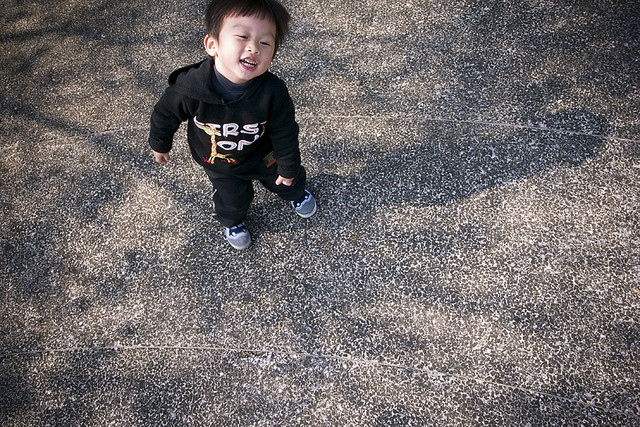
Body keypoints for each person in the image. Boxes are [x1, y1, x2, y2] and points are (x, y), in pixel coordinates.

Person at [148, 0, 316, 250]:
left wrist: (289, 167)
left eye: (265, 42)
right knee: (231, 198)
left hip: (262, 153)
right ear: (212, 45)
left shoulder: (273, 91)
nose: (253, 48)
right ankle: (233, 221)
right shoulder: (189, 89)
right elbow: (164, 114)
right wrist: (160, 143)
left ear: (272, 56)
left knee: (285, 178)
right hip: (220, 163)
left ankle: (296, 193)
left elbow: (285, 131)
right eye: (242, 37)